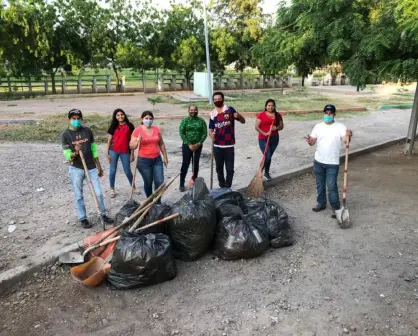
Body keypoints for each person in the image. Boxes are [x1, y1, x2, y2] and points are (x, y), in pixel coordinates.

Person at [61, 109, 114, 228]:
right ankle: (83, 218)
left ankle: (103, 214)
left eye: (78, 118)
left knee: (98, 193)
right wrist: (75, 152)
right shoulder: (65, 135)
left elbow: (94, 149)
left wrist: (99, 166)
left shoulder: (87, 131)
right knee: (78, 195)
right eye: (73, 119)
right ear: (69, 120)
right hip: (76, 168)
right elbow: (67, 155)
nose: (76, 121)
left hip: (91, 166)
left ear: (81, 119)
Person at [305, 104, 353, 218]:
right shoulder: (318, 127)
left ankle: (336, 208)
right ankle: (321, 203)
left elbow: (346, 141)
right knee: (320, 184)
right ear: (323, 113)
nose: (328, 115)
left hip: (332, 162)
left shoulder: (340, 127)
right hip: (319, 161)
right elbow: (312, 143)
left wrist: (349, 136)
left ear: (334, 114)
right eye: (326, 113)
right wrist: (309, 141)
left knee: (331, 186)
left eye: (330, 113)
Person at [209, 91, 245, 189]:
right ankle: (222, 187)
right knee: (219, 169)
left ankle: (228, 187)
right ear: (213, 101)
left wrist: (239, 116)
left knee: (230, 169)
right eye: (215, 100)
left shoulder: (230, 110)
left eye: (219, 99)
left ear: (223, 99)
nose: (217, 101)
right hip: (217, 146)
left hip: (229, 145)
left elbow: (243, 121)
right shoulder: (213, 114)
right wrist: (211, 135)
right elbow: (211, 130)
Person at [130, 111, 168, 198]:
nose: (148, 120)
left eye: (150, 119)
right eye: (146, 118)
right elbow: (132, 146)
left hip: (157, 159)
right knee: (148, 182)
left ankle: (157, 202)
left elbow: (161, 143)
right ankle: (149, 202)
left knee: (159, 181)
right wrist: (137, 142)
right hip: (143, 161)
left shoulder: (156, 129)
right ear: (142, 119)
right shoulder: (137, 130)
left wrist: (165, 156)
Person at [105, 108, 136, 198]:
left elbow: (133, 140)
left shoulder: (130, 125)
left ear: (124, 115)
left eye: (121, 114)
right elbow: (109, 140)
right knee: (112, 170)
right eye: (118, 115)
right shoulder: (113, 126)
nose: (120, 116)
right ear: (115, 117)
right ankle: (112, 189)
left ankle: (133, 187)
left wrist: (132, 153)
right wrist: (106, 153)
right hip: (113, 151)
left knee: (127, 170)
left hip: (125, 151)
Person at [179, 105, 208, 192]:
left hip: (198, 146)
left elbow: (204, 133)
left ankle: (194, 181)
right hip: (187, 146)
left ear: (197, 111)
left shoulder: (201, 121)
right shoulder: (185, 121)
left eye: (195, 110)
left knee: (195, 164)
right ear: (188, 111)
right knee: (185, 164)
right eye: (191, 110)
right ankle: (181, 183)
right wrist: (189, 144)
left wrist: (199, 143)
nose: (193, 111)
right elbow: (181, 132)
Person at [255, 99, 284, 180]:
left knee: (269, 156)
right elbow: (256, 127)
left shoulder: (278, 115)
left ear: (274, 106)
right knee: (267, 155)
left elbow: (281, 126)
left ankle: (266, 173)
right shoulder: (261, 115)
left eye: (272, 105)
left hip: (274, 139)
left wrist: (276, 127)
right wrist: (265, 133)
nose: (270, 107)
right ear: (265, 106)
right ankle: (260, 172)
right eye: (268, 105)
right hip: (263, 138)